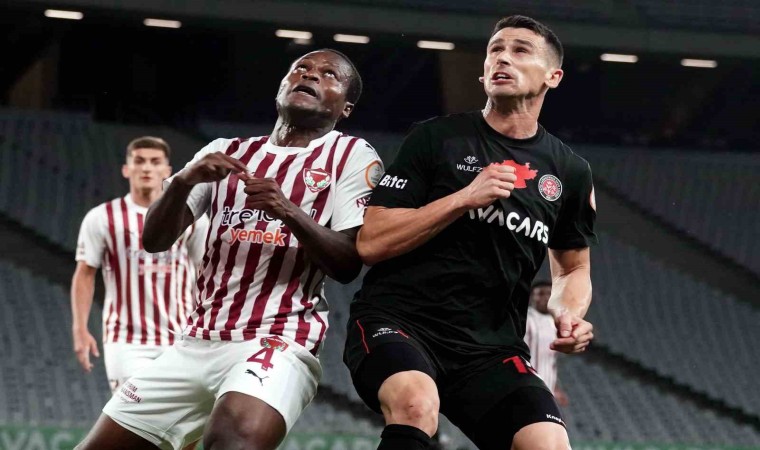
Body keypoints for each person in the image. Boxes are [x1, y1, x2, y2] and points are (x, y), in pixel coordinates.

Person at [76, 49, 382, 450]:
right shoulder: (226, 151)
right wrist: (183, 181)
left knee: (232, 438)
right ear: (281, 87)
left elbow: (347, 263)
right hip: (194, 341)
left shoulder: (352, 155)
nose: (309, 75)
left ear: (345, 107)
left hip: (276, 339)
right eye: (300, 68)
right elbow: (154, 240)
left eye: (328, 75)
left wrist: (286, 210)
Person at [344, 15, 597, 450]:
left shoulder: (570, 172)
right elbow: (372, 241)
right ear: (483, 72)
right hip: (401, 323)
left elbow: (573, 268)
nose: (503, 58)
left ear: (553, 77)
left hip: (491, 347)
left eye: (520, 50)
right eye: (495, 50)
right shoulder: (436, 138)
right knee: (416, 404)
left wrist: (569, 312)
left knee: (549, 443)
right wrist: (462, 198)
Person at [71, 136, 208, 392]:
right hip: (126, 340)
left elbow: (206, 273)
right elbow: (85, 274)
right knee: (136, 407)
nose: (146, 168)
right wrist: (80, 328)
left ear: (167, 171)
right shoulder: (102, 217)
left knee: (177, 413)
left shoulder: (192, 219)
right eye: (139, 161)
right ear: (126, 169)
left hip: (181, 337)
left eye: (155, 162)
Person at [525, 280, 569, 406]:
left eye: (549, 293)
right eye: (540, 294)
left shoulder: (555, 322)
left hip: (547, 387)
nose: (545, 297)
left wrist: (555, 388)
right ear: (531, 297)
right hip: (527, 386)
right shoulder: (525, 319)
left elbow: (550, 361)